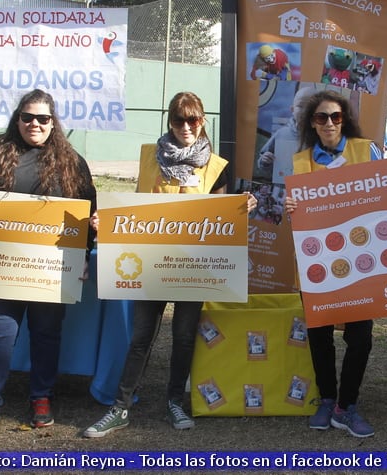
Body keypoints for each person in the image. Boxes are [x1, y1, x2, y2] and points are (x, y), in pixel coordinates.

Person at [84, 92, 256, 438]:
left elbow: (220, 218)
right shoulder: (150, 156)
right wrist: (108, 223)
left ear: (203, 121)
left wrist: (242, 209)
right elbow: (132, 207)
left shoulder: (216, 166)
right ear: (170, 121)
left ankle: (175, 400)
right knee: (141, 337)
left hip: (193, 267)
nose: (186, 127)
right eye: (179, 120)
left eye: (193, 120)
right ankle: (120, 406)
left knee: (183, 336)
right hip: (151, 263)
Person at [0, 89, 97, 435]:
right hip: (2, 263)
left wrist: (84, 248)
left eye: (43, 119)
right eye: (28, 117)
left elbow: (88, 211)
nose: (35, 124)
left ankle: (42, 396)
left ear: (53, 123)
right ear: (17, 118)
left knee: (47, 333)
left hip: (52, 265)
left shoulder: (71, 161)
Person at [284, 90, 387, 438]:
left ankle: (346, 405)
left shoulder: (367, 150)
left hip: (362, 261)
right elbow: (298, 216)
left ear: (345, 119)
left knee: (360, 337)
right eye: (321, 117)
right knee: (319, 335)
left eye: (335, 116)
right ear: (312, 123)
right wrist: (292, 210)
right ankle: (327, 398)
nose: (329, 123)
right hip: (317, 262)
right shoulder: (301, 160)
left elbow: (385, 194)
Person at [255, 84, 316, 182]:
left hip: (312, 189)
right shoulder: (282, 134)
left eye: (310, 107)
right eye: (301, 106)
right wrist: (265, 161)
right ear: (292, 110)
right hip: (284, 188)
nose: (305, 111)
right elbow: (263, 159)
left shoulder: (322, 137)